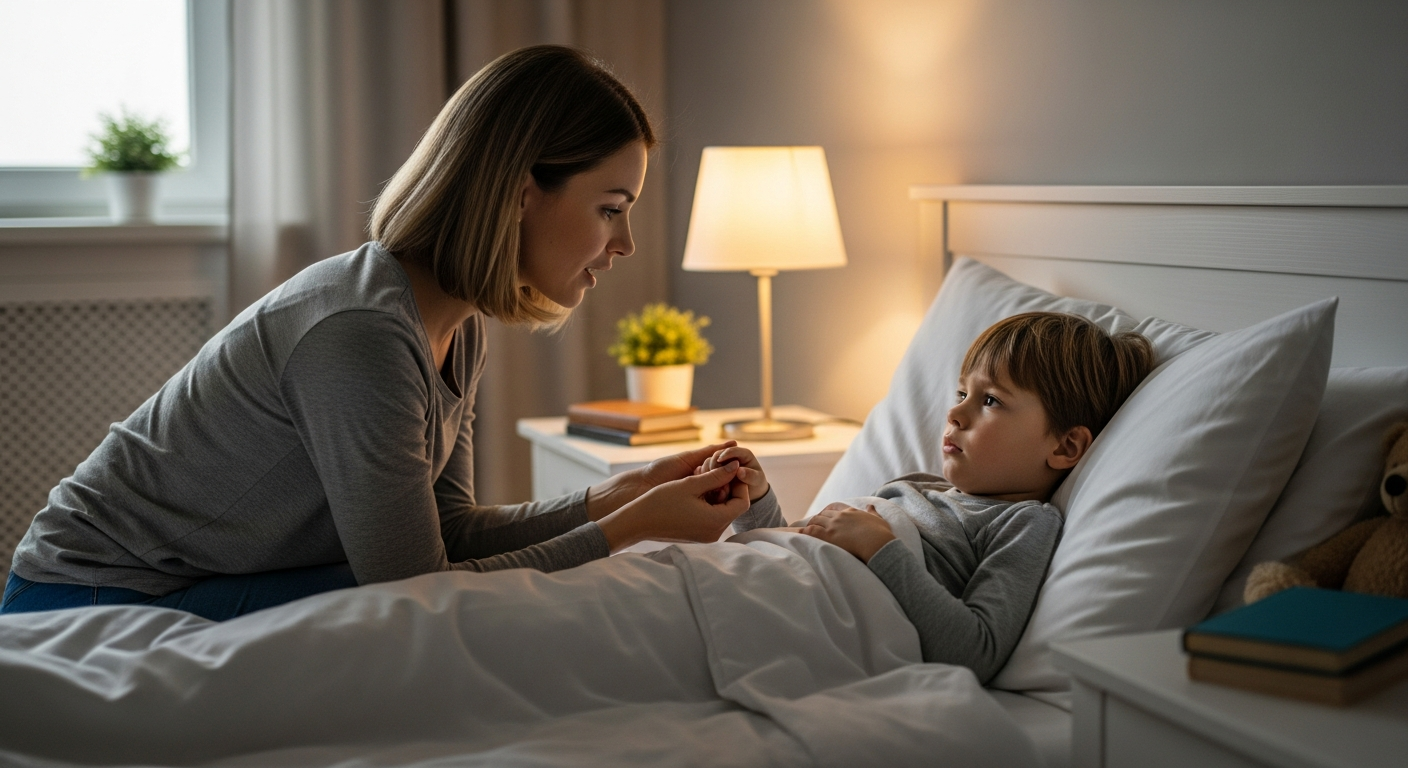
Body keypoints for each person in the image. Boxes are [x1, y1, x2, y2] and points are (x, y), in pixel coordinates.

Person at [1, 45, 751, 622]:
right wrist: (627, 528)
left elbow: (446, 534)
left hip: (193, 579)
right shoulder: (361, 332)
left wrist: (621, 494)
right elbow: (416, 593)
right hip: (92, 595)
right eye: (611, 208)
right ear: (522, 193)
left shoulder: (453, 324)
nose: (625, 245)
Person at [704, 312, 1154, 683]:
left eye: (991, 401)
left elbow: (976, 651)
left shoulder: (1023, 522)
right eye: (962, 392)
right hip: (761, 582)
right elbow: (800, 551)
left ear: (1065, 447)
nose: (955, 412)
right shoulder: (914, 486)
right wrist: (755, 502)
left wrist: (880, 547)